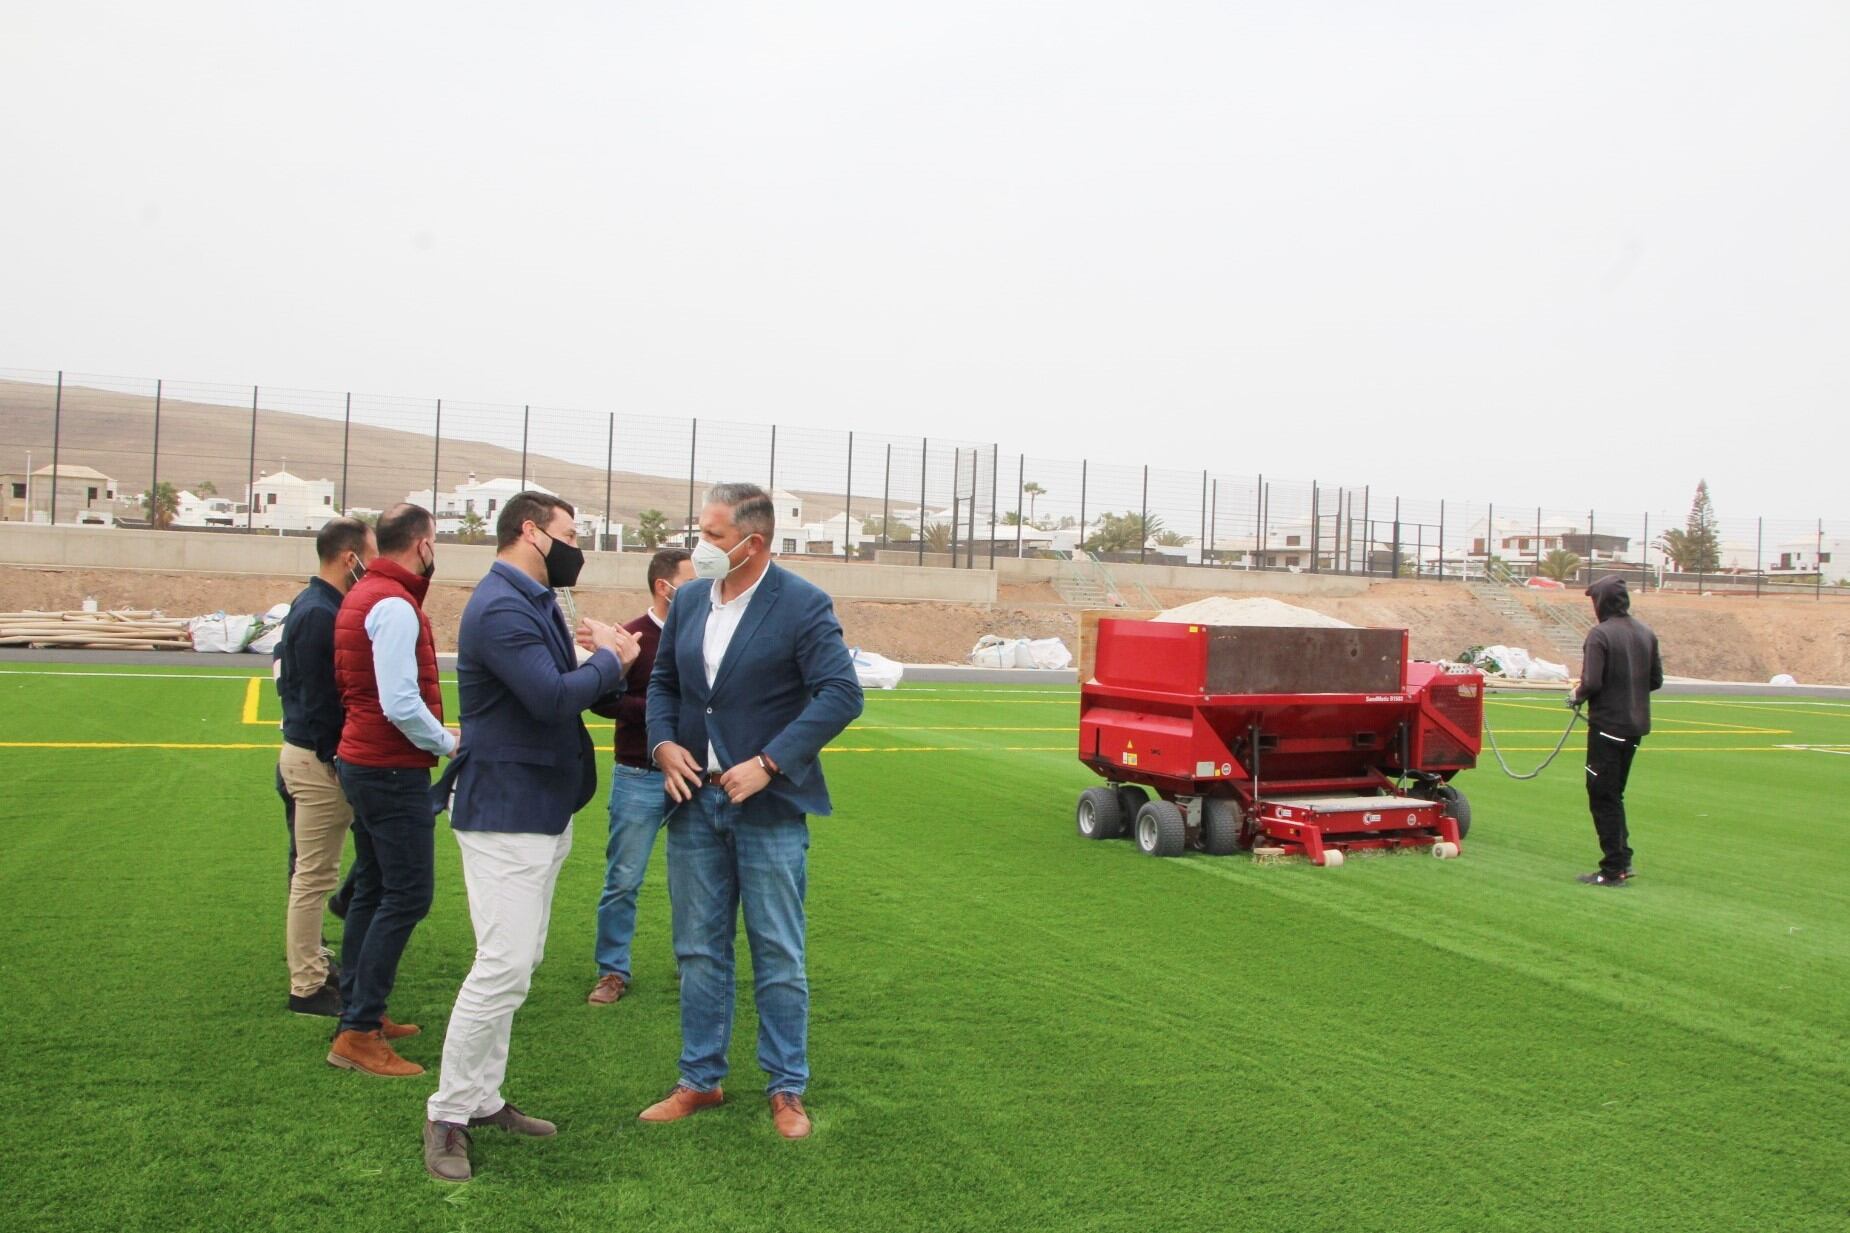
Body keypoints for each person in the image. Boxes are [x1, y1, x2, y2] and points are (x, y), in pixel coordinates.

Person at [422, 493, 641, 1183]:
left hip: (541, 806)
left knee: (518, 961)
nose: (577, 546)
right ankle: (448, 1112)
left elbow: (565, 685)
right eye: (569, 534)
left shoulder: (540, 598)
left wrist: (602, 660)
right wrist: (613, 657)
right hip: (505, 811)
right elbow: (550, 695)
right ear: (530, 530)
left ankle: (483, 1098)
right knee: (503, 965)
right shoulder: (501, 606)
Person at [639, 482, 863, 1140]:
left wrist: (769, 762)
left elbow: (841, 694)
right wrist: (662, 744)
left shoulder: (801, 604)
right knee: (698, 951)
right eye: (700, 531)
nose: (698, 546)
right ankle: (699, 1078)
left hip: (767, 809)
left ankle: (786, 1087)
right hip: (692, 804)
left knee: (778, 952)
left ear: (752, 543)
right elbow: (663, 684)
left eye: (711, 535)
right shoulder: (686, 600)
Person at [328, 503, 455, 1076]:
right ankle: (358, 1030)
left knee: (377, 887)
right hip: (390, 767)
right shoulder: (395, 605)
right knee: (407, 894)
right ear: (422, 544)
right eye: (435, 541)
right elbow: (400, 701)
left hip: (367, 759)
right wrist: (449, 743)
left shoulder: (368, 593)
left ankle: (359, 1013)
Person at [587, 546, 695, 1006]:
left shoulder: (707, 634)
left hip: (694, 777)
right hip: (639, 774)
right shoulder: (629, 636)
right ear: (662, 586)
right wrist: (663, 713)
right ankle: (613, 970)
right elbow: (603, 700)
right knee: (624, 878)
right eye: (691, 582)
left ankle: (696, 964)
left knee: (695, 879)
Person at [277, 516, 375, 1017]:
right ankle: (307, 985)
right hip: (317, 761)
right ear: (348, 558)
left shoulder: (314, 604)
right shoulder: (320, 612)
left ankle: (315, 960)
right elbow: (318, 698)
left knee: (320, 870)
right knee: (313, 876)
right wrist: (335, 757)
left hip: (311, 754)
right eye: (370, 554)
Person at [1568, 574, 1663, 887]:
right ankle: (1622, 858)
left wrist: (1576, 695)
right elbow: (1655, 681)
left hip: (1608, 727)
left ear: (1602, 602)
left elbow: (1592, 682)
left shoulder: (1600, 635)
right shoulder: (1646, 633)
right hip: (1635, 727)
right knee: (1614, 794)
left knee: (1602, 796)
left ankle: (1613, 869)